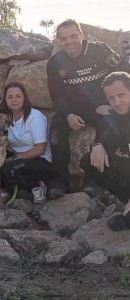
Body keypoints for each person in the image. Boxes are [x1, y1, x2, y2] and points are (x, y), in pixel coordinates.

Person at [46, 19, 128, 198]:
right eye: (64, 38)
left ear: (82, 35)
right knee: (55, 135)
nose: (70, 41)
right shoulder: (54, 63)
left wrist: (112, 103)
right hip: (73, 110)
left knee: (111, 125)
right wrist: (67, 114)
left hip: (103, 107)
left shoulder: (101, 51)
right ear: (59, 41)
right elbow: (56, 95)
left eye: (73, 36)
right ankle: (60, 181)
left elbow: (124, 74)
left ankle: (96, 180)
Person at [79, 72, 130, 231]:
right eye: (111, 98)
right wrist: (97, 145)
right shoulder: (118, 116)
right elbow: (108, 137)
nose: (117, 102)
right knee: (89, 161)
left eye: (121, 95)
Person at [0, 82, 56, 204]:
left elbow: (40, 149)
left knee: (9, 169)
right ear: (5, 100)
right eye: (10, 97)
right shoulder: (6, 119)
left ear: (24, 98)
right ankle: (22, 193)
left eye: (18, 96)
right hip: (17, 158)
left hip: (39, 160)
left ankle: (38, 187)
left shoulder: (35, 117)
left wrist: (15, 158)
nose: (14, 100)